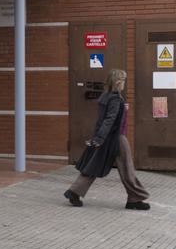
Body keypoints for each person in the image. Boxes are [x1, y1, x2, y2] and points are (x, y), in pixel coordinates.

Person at [64, 69, 151, 210]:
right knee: (127, 168)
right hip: (116, 138)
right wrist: (99, 138)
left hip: (104, 137)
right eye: (123, 81)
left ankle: (74, 192)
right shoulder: (116, 99)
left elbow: (105, 117)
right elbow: (109, 120)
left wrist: (98, 137)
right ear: (118, 83)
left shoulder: (105, 96)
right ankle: (134, 199)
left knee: (94, 165)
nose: (124, 83)